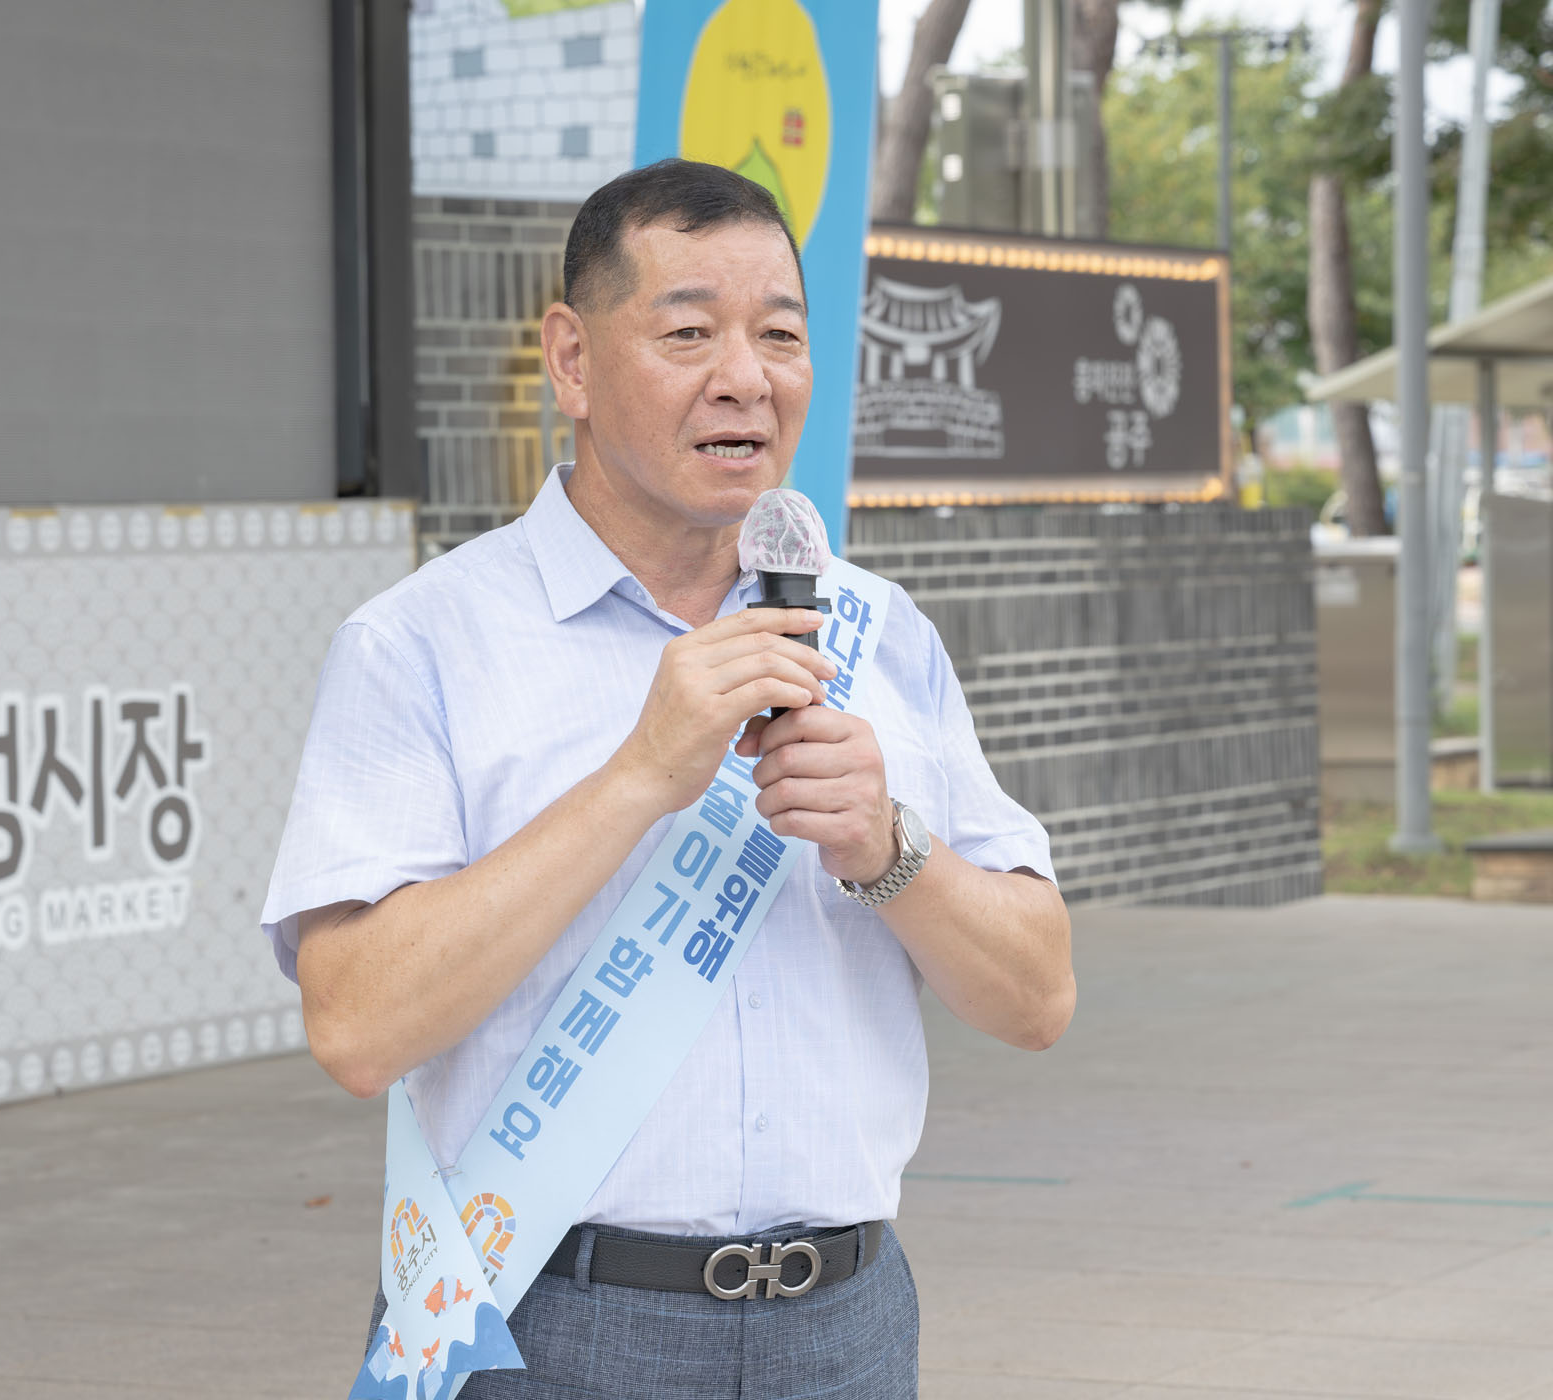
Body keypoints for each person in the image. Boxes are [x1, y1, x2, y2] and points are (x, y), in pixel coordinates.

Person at [261, 158, 1074, 1399]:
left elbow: (1038, 996)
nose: (745, 377)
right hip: (546, 1322)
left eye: (780, 335)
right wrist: (641, 774)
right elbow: (358, 1026)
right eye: (689, 332)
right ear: (573, 360)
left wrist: (888, 846)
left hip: (845, 1329)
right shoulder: (421, 643)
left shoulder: (877, 630)